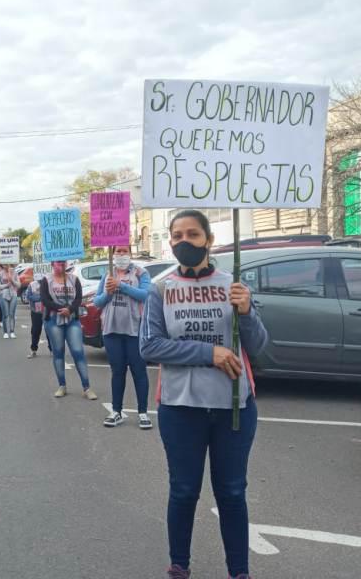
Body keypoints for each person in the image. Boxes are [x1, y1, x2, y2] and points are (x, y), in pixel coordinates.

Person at [139, 209, 268, 579]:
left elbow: (259, 346)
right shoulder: (160, 289)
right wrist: (209, 353)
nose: (184, 241)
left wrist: (247, 312)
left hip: (233, 408)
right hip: (181, 408)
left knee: (232, 493)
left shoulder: (234, 285)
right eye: (177, 235)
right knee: (183, 491)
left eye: (193, 234)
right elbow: (150, 346)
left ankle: (239, 572)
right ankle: (179, 565)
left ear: (209, 241)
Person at [94, 246, 153, 429]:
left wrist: (121, 285)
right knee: (117, 372)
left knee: (139, 371)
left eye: (124, 251)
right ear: (113, 255)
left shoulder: (141, 273)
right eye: (117, 251)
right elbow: (97, 302)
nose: (120, 254)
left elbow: (145, 295)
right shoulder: (108, 274)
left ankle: (143, 412)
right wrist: (108, 293)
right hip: (111, 330)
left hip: (135, 330)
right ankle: (116, 411)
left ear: (130, 253)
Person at [40, 261, 96, 400]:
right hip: (54, 320)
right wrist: (60, 309)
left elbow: (78, 298)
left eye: (63, 262)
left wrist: (69, 309)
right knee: (58, 352)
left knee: (78, 352)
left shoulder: (74, 279)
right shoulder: (46, 280)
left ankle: (87, 387)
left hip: (72, 320)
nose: (61, 264)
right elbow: (45, 300)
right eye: (58, 262)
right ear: (53, 264)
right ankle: (62, 386)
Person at [25, 276, 51, 358]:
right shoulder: (32, 285)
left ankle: (52, 350)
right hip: (36, 311)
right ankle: (33, 350)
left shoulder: (50, 283)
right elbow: (28, 296)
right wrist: (41, 297)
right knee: (35, 331)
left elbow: (52, 297)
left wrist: (44, 298)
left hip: (48, 311)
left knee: (49, 331)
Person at [0, 264, 20, 339]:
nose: (6, 266)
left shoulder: (15, 273)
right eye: (4, 264)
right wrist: (6, 285)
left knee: (12, 314)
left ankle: (12, 331)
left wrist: (12, 280)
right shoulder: (0, 273)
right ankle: (5, 332)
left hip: (13, 294)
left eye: (7, 264)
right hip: (4, 294)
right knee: (5, 314)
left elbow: (19, 285)